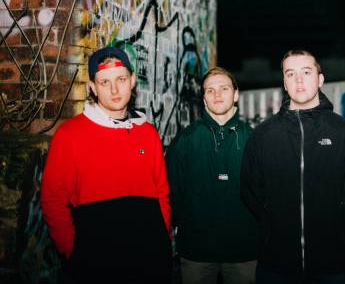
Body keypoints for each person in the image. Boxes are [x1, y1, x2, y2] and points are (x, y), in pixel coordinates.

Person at [240, 49, 345, 283]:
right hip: (277, 265)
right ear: (284, 83)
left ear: (320, 79)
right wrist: (272, 225)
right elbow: (249, 190)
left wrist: (340, 227)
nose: (298, 80)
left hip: (335, 265)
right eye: (290, 74)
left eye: (306, 72)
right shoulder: (263, 134)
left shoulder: (344, 132)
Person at [41, 46, 172, 283]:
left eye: (121, 79)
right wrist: (74, 253)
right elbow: (53, 200)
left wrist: (163, 241)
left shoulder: (148, 133)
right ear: (92, 86)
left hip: (151, 262)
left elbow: (161, 194)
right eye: (104, 82)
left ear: (132, 80)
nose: (114, 89)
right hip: (96, 265)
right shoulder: (70, 135)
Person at [166, 67, 258, 284]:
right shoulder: (185, 141)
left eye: (224, 88)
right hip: (197, 253)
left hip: (244, 251)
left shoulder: (255, 140)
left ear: (236, 94)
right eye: (210, 90)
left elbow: (266, 193)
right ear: (204, 99)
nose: (217, 94)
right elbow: (172, 193)